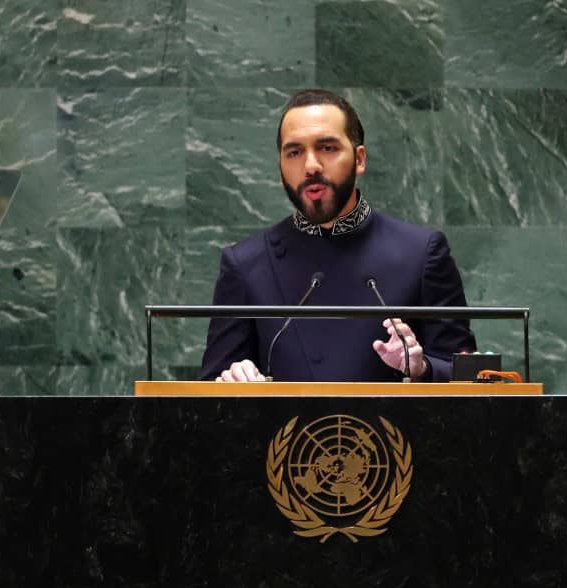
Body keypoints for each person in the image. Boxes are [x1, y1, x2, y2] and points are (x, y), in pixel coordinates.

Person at [199, 89, 476, 382]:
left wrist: (422, 368)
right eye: (294, 152)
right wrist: (231, 380)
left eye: (327, 148)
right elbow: (209, 391)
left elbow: (467, 376)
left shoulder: (421, 254)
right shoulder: (246, 264)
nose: (310, 166)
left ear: (359, 159)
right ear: (280, 170)